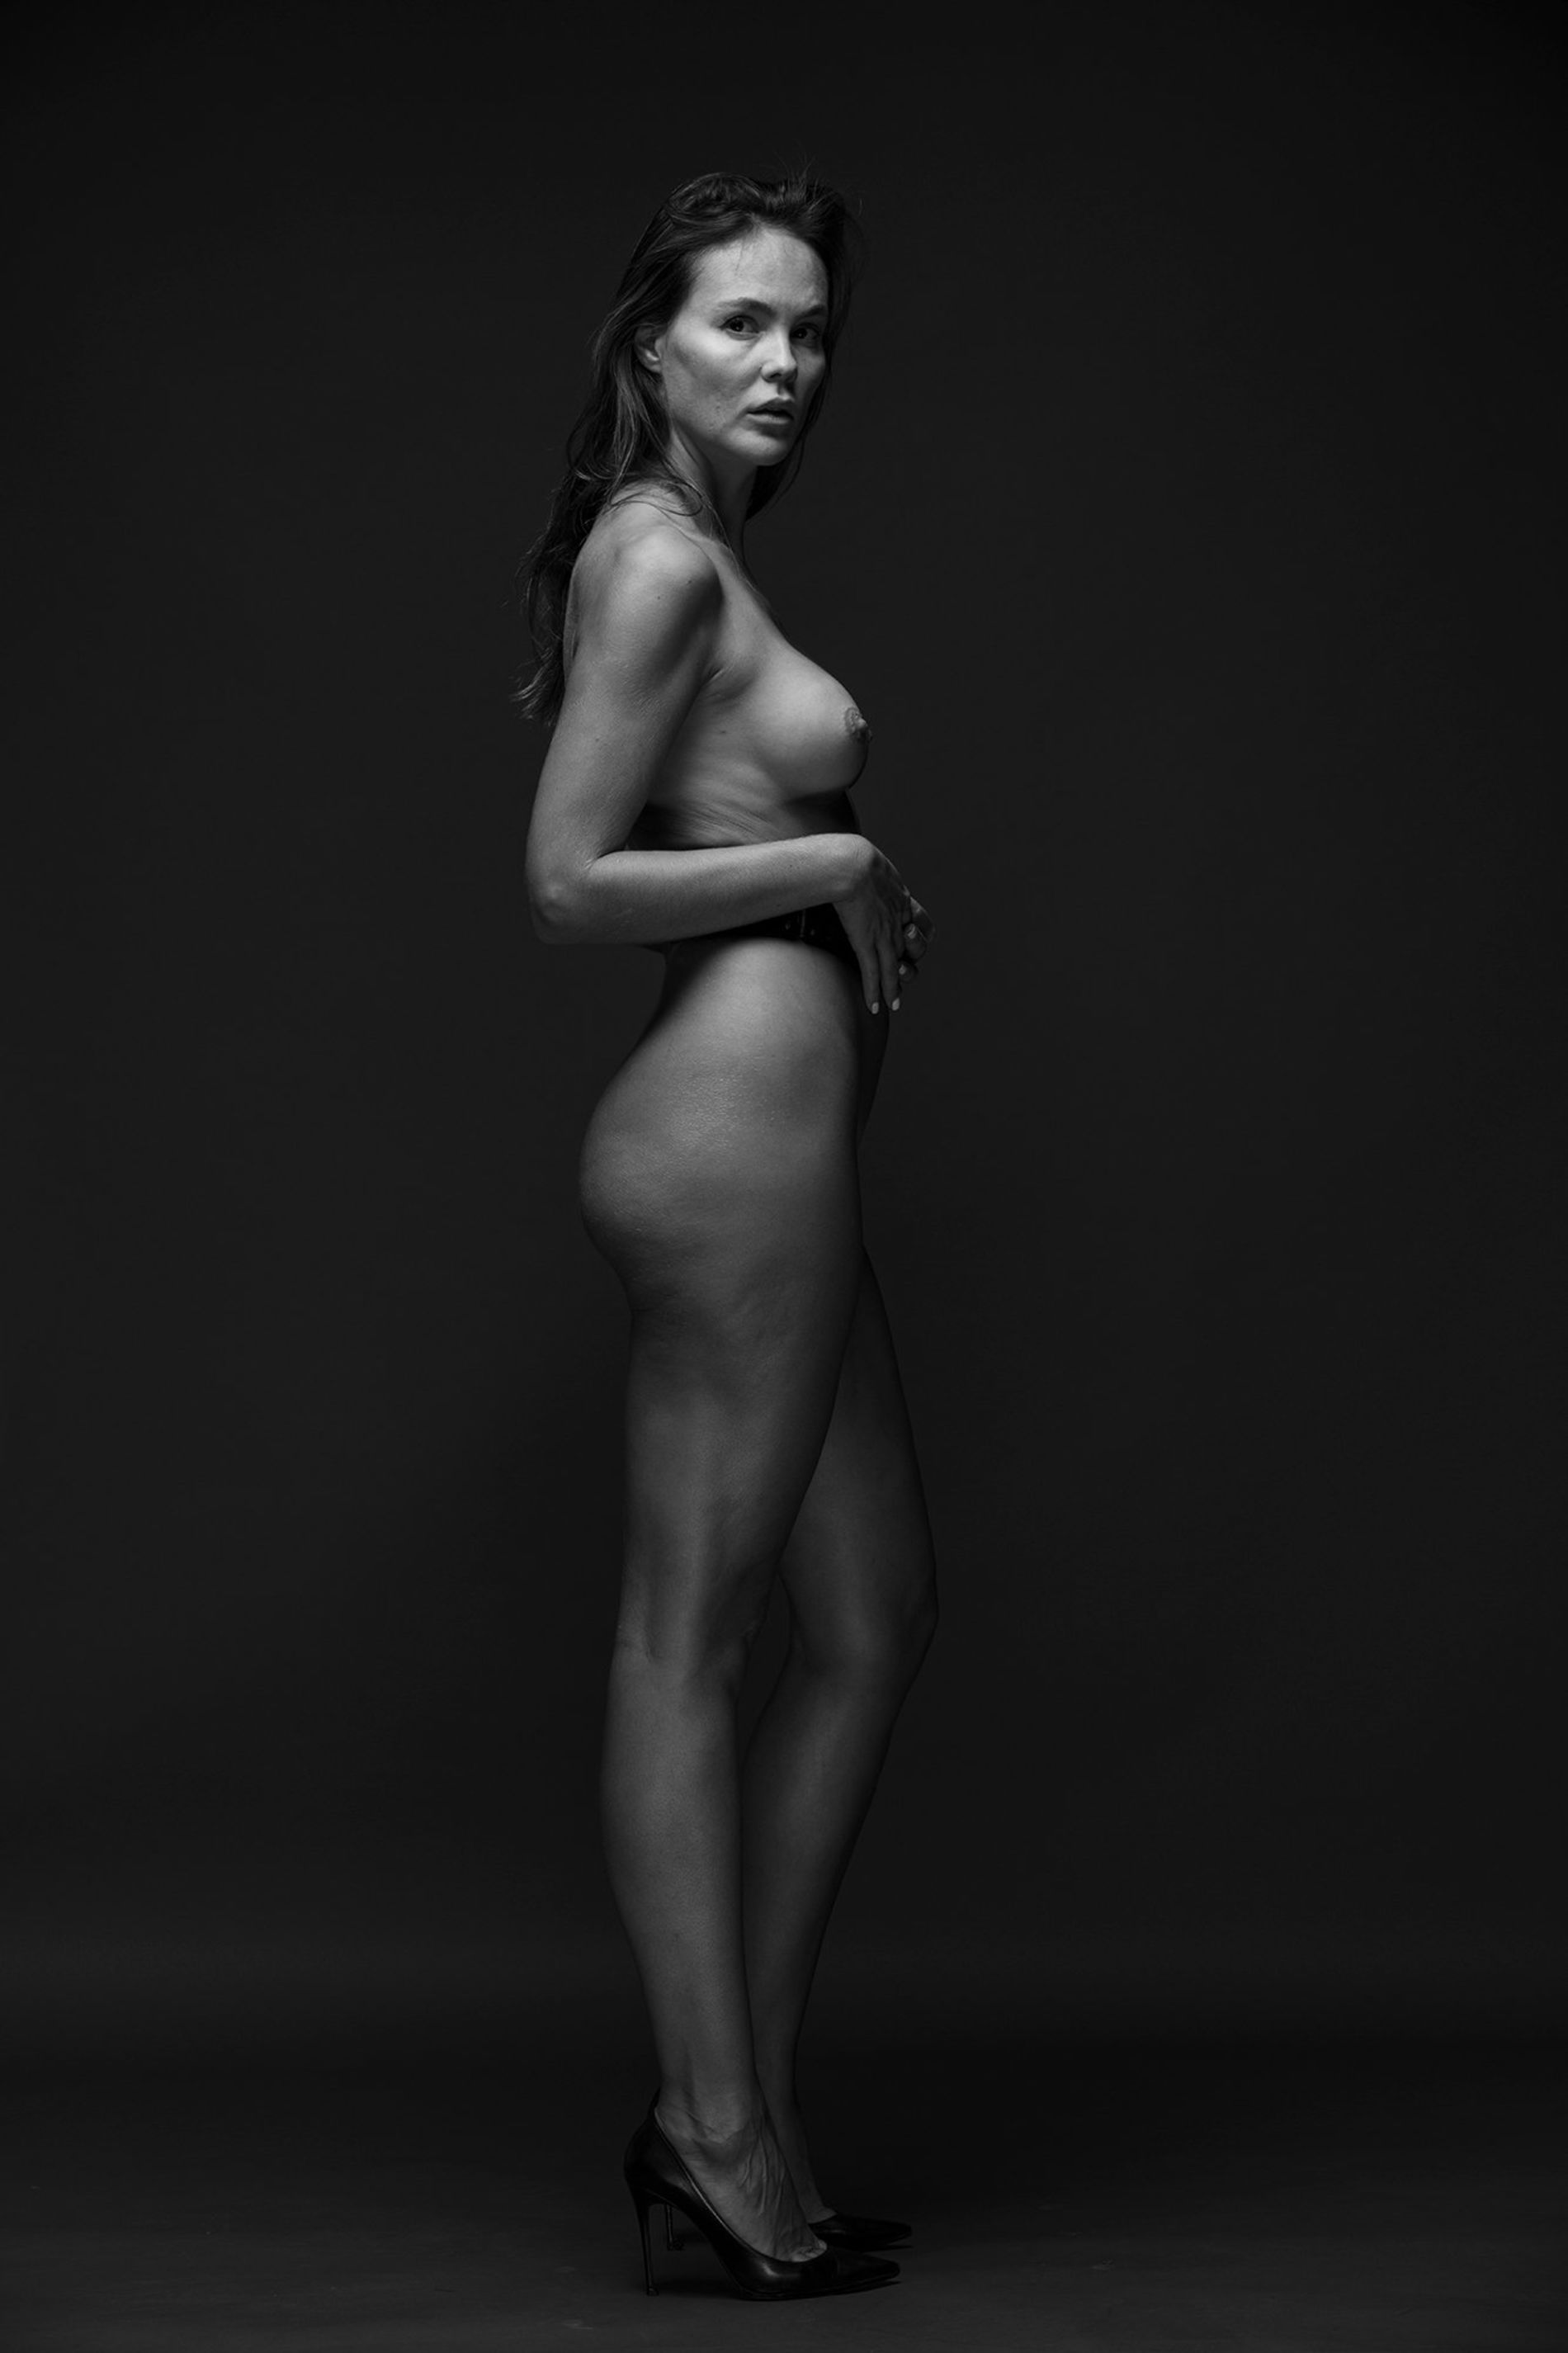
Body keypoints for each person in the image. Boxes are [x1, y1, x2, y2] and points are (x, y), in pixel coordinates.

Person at [519, 171, 937, 2303]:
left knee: (872, 1613)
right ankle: (707, 2137)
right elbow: (564, 878)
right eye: (742, 324)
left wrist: (818, 864)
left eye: (812, 331)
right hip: (722, 1154)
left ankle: (748, 2105)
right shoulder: (661, 560)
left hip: (782, 1154)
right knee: (685, 1640)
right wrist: (835, 859)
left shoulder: (701, 552)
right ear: (647, 346)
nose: (787, 362)